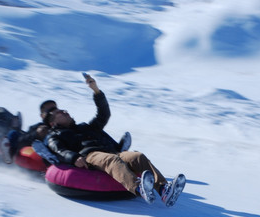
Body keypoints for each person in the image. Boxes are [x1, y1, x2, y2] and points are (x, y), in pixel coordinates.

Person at [43, 74, 185, 207]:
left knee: (137, 156)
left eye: (64, 110)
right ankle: (138, 188)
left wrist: (96, 90)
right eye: (59, 113)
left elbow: (104, 114)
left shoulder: (85, 127)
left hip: (112, 152)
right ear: (52, 122)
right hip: (90, 156)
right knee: (113, 160)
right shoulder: (54, 135)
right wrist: (74, 158)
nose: (64, 112)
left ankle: (163, 190)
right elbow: (59, 150)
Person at [0, 99, 131, 165]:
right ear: (42, 115)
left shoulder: (65, 124)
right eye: (49, 110)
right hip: (49, 146)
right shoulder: (39, 126)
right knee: (16, 134)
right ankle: (9, 150)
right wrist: (37, 134)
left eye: (55, 108)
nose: (53, 111)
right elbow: (24, 140)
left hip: (67, 143)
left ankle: (117, 148)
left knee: (92, 130)